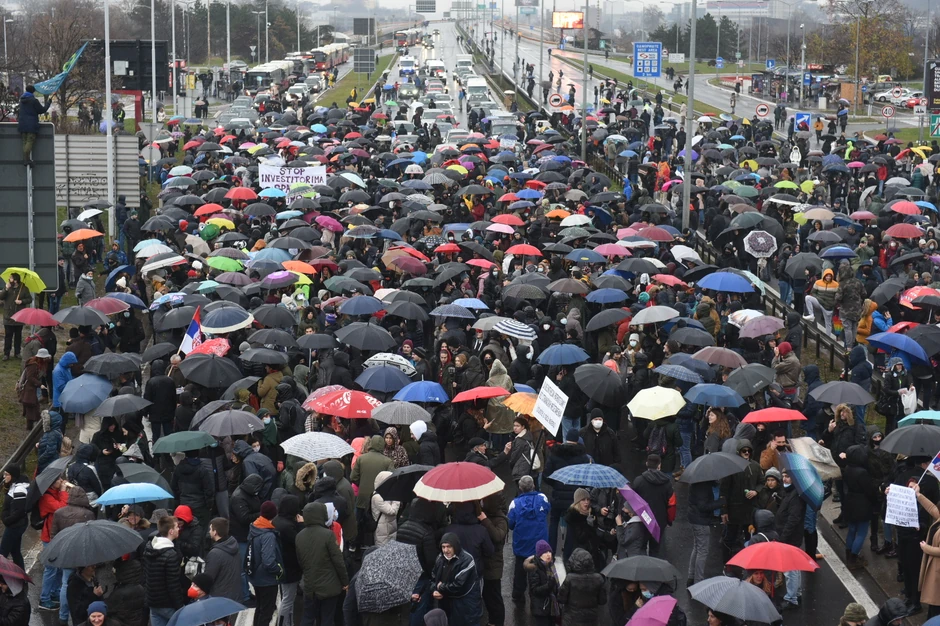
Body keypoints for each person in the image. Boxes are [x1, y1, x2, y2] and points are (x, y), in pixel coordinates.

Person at [296, 502, 348, 626]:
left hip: (309, 585)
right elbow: (338, 561)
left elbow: (300, 561)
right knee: (327, 619)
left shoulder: (299, 536)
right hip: (329, 586)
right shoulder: (328, 535)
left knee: (308, 617)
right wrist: (345, 582)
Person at [429, 533, 482, 626]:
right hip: (448, 601)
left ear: (455, 546)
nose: (446, 550)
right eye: (443, 547)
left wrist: (440, 587)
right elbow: (433, 577)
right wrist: (434, 589)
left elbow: (457, 586)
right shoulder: (440, 558)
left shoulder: (467, 560)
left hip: (465, 604)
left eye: (449, 546)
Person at [246, 501, 283, 626]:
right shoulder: (268, 535)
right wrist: (279, 570)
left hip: (256, 577)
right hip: (267, 580)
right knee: (266, 612)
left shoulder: (254, 527)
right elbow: (268, 561)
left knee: (260, 608)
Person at [630, 455, 674, 557]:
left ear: (646, 464)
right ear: (659, 465)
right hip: (659, 521)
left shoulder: (639, 480)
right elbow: (672, 504)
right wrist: (669, 520)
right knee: (655, 550)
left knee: (641, 547)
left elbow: (632, 500)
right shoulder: (667, 483)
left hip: (643, 520)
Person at [775, 469, 807, 610]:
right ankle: (796, 594)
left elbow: (793, 519)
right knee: (794, 568)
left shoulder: (796, 496)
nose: (784, 479)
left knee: (790, 569)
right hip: (791, 537)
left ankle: (791, 598)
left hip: (790, 538)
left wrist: (783, 537)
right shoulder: (791, 493)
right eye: (783, 476)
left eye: (788, 477)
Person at [558, 547, 606, 626]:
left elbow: (561, 599)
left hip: (571, 620)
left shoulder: (570, 578)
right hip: (592, 620)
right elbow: (602, 601)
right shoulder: (598, 578)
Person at [203, 517, 243, 603]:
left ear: (215, 532)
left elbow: (208, 578)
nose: (209, 532)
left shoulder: (215, 553)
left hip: (219, 599)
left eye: (210, 529)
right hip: (235, 597)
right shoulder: (235, 546)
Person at [0, 464, 29, 570]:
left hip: (15, 525)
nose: (4, 477)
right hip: (16, 524)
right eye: (4, 474)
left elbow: (19, 511)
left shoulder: (20, 489)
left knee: (2, 552)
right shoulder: (13, 485)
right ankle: (21, 577)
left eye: (6, 474)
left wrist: (6, 520)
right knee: (15, 552)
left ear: (13, 475)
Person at [524, 540, 559, 626]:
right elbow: (534, 590)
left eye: (549, 551)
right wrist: (549, 586)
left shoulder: (552, 566)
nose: (548, 554)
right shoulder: (534, 569)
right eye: (545, 552)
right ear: (539, 555)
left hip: (551, 607)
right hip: (541, 608)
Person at [0, 273, 31, 360]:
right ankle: (6, 353)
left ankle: (17, 353)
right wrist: (6, 289)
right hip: (8, 316)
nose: (9, 279)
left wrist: (21, 301)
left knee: (18, 336)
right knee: (8, 336)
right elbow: (1, 297)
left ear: (16, 280)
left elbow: (29, 299)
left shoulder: (24, 289)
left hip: (19, 316)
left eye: (11, 278)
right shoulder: (7, 288)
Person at [18, 85, 51, 165]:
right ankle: (26, 159)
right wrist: (48, 102)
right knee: (29, 141)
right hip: (31, 125)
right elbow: (42, 110)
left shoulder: (21, 100)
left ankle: (26, 159)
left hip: (22, 124)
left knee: (24, 141)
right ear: (33, 91)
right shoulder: (33, 100)